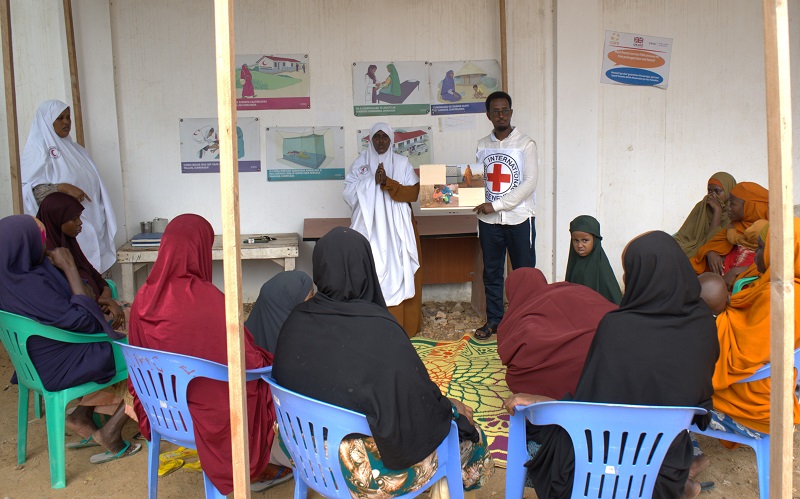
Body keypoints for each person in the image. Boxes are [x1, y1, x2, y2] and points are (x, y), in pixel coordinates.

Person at [273, 227, 494, 497]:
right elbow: (418, 409)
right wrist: (450, 410)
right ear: (366, 268)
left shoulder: (295, 320)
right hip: (363, 476)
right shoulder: (380, 330)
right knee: (467, 433)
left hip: (304, 453)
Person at [505, 231, 719, 499]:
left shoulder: (618, 328)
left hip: (600, 472)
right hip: (666, 470)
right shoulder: (703, 323)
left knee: (535, 429)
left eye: (628, 271)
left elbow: (591, 405)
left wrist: (542, 401)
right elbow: (699, 400)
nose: (625, 280)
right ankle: (685, 482)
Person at [127, 214, 290, 494]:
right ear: (200, 249)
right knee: (268, 384)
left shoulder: (143, 297)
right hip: (202, 415)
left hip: (162, 409)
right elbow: (248, 362)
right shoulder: (209, 301)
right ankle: (258, 465)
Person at [0, 214, 139, 463]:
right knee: (145, 353)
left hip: (35, 363)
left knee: (119, 338)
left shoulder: (12, 278)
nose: (45, 243)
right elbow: (87, 322)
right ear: (23, 244)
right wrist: (70, 267)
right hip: (61, 363)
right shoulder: (34, 286)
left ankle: (81, 416)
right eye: (39, 238)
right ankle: (111, 432)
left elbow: (84, 300)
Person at [708, 219, 800, 439]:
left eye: (760, 248)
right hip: (768, 395)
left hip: (755, 409)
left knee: (672, 386)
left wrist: (714, 314)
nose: (755, 255)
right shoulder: (773, 287)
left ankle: (682, 451)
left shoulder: (782, 298)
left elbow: (739, 356)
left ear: (779, 254)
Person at [21, 100, 117, 273]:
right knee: (76, 276)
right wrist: (61, 188)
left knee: (95, 276)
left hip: (93, 221)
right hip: (66, 231)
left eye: (68, 117)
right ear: (47, 121)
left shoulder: (76, 149)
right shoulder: (38, 149)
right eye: (60, 118)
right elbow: (30, 191)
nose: (66, 122)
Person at [344, 122, 422, 336]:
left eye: (384, 137)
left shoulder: (402, 163)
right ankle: (370, 326)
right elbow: (348, 193)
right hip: (370, 227)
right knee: (371, 269)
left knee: (401, 268)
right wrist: (372, 181)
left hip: (397, 228)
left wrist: (388, 183)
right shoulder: (360, 163)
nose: (380, 141)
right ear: (371, 139)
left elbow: (413, 193)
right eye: (376, 137)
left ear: (391, 139)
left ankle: (404, 325)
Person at [473, 91, 538, 339]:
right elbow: (476, 179)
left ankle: (526, 322)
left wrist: (497, 205)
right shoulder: (482, 144)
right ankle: (495, 321)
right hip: (489, 222)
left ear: (511, 112)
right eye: (496, 111)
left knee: (524, 273)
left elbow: (530, 183)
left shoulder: (525, 144)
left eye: (505, 110)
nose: (501, 115)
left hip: (519, 218)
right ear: (488, 115)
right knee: (491, 273)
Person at [497, 267, 617, 398]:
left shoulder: (524, 318)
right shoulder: (570, 288)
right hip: (619, 339)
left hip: (585, 370)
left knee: (516, 379)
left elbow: (527, 344)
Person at [36, 192, 125, 329]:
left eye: (79, 217)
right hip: (82, 317)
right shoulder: (49, 254)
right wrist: (102, 301)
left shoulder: (68, 243)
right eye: (74, 219)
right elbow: (67, 294)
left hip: (98, 306)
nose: (80, 222)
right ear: (57, 219)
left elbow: (93, 273)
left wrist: (106, 295)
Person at [690, 182, 769, 289]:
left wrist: (738, 271)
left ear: (749, 207)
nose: (728, 207)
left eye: (732, 204)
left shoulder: (769, 231)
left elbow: (772, 264)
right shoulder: (733, 226)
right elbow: (711, 244)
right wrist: (711, 252)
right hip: (720, 281)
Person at [244, 270, 313, 352]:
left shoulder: (244, 339)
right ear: (290, 302)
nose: (314, 299)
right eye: (311, 294)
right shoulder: (243, 349)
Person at [674, 172, 737, 258]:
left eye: (717, 191)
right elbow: (682, 237)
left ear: (729, 191)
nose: (713, 195)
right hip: (688, 249)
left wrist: (717, 210)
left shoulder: (734, 212)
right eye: (709, 191)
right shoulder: (702, 206)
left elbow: (713, 242)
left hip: (712, 254)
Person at [564, 215, 622, 304]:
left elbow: (614, 300)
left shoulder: (601, 268)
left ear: (595, 240)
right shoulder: (574, 263)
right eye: (575, 240)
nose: (579, 245)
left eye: (585, 240)